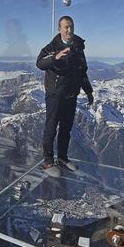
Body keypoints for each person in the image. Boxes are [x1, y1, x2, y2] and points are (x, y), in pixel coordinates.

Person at [36, 16, 93, 178]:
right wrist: (55, 57)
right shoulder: (52, 47)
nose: (69, 30)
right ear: (59, 29)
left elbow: (82, 72)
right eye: (66, 27)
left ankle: (62, 158)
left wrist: (88, 91)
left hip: (71, 93)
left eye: (71, 27)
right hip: (55, 94)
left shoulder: (78, 48)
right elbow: (40, 63)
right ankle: (48, 161)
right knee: (51, 127)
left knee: (66, 128)